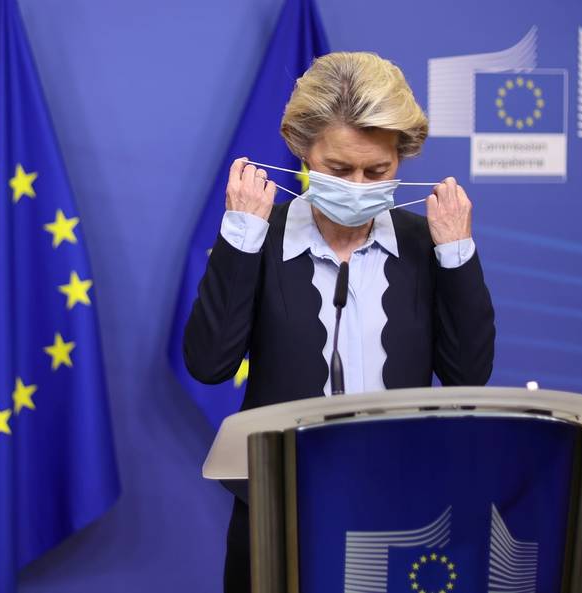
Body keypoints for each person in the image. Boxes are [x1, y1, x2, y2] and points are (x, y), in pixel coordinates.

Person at [182, 51, 495, 593]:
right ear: (303, 152)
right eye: (337, 169)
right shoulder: (261, 237)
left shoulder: (428, 244)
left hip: (402, 511)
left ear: (402, 156)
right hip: (275, 513)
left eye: (378, 171)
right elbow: (209, 364)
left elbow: (469, 373)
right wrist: (239, 238)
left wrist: (458, 255)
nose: (356, 186)